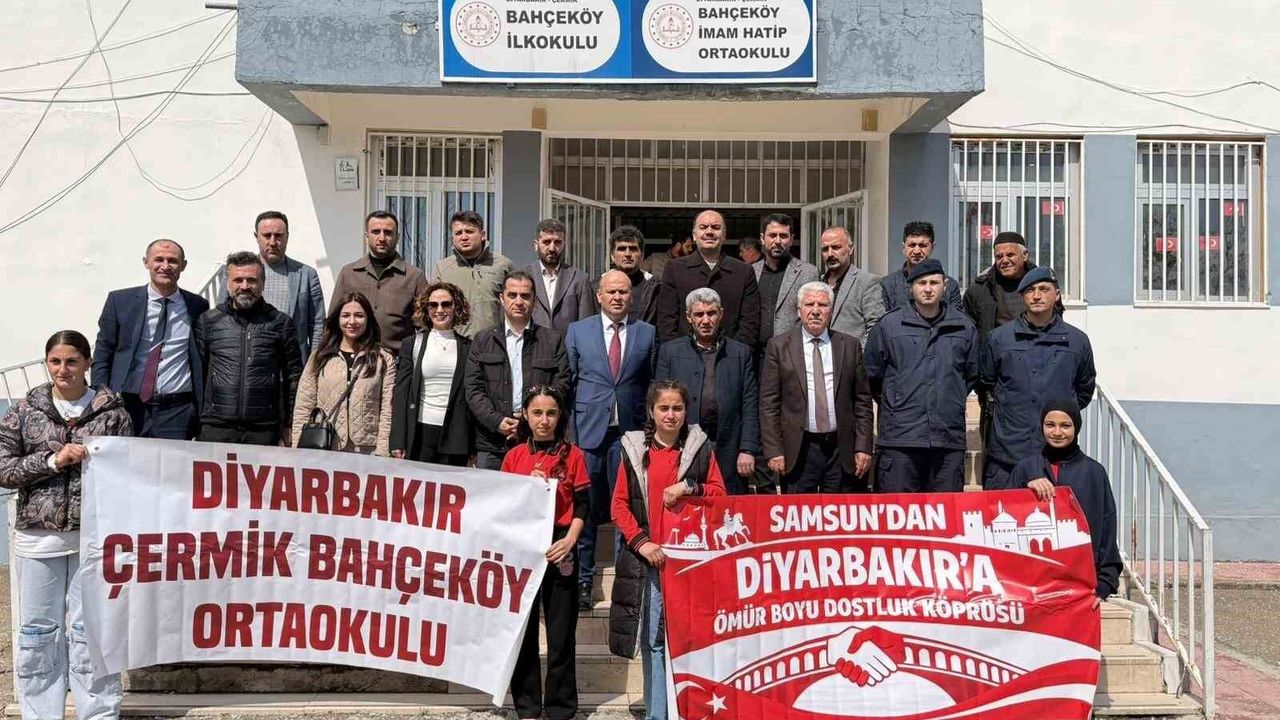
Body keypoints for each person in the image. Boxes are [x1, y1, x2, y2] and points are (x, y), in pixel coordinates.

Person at [0, 331, 132, 720]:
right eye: (55, 361)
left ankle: (99, 712)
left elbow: (130, 473)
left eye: (72, 361)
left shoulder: (113, 413)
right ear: (47, 364)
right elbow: (4, 469)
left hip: (94, 539)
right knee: (39, 633)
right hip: (38, 540)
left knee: (91, 631)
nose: (63, 369)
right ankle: (41, 713)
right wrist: (52, 461)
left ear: (88, 363)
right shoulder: (24, 411)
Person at [609, 380, 726, 720]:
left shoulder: (700, 448)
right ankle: (657, 714)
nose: (670, 415)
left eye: (677, 408)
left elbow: (720, 494)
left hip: (689, 564)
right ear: (651, 411)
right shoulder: (634, 451)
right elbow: (619, 505)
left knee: (689, 641)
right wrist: (642, 542)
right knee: (654, 642)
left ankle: (687, 710)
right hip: (651, 562)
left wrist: (689, 486)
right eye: (664, 408)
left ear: (686, 411)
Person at [566, 269, 657, 611]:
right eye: (611, 292)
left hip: (630, 434)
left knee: (626, 507)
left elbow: (652, 383)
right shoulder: (578, 331)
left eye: (623, 292)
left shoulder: (646, 332)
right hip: (588, 433)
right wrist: (571, 434)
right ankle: (584, 580)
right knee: (586, 508)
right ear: (599, 296)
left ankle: (624, 581)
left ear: (631, 296)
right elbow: (570, 382)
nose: (617, 297)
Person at [501, 385, 590, 720]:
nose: (544, 420)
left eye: (551, 413)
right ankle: (527, 707)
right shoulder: (514, 457)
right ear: (525, 415)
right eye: (537, 413)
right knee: (523, 632)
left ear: (560, 415)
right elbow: (502, 506)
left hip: (560, 545)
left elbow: (584, 505)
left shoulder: (574, 455)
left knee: (561, 633)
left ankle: (560, 708)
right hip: (523, 546)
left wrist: (570, 541)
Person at [864, 259, 980, 493]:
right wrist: (897, 402)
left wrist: (948, 399)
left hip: (947, 440)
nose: (928, 289)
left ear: (944, 286)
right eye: (921, 283)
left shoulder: (964, 327)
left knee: (945, 513)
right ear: (911, 288)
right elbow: (872, 375)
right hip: (900, 440)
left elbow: (971, 375)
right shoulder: (889, 326)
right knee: (899, 511)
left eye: (934, 283)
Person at [991, 399, 1122, 599]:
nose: (1057, 432)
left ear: (1076, 427)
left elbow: (1107, 527)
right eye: (1050, 425)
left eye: (1065, 425)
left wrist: (1104, 584)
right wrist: (1025, 490)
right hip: (1031, 585)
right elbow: (1003, 514)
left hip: (1080, 585)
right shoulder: (1026, 468)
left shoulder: (1093, 472)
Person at [980, 267, 1096, 488]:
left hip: (1055, 457)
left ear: (1057, 295)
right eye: (1029, 290)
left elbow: (1084, 389)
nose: (1036, 295)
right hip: (1008, 455)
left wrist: (1057, 418)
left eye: (1044, 289)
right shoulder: (999, 339)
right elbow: (986, 381)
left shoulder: (1077, 341)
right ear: (1022, 296)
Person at [761, 282, 874, 493]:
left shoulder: (849, 346)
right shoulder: (779, 346)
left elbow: (862, 402)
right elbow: (769, 404)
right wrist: (774, 449)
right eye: (809, 304)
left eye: (822, 305)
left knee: (839, 512)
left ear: (831, 309)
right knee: (800, 512)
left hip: (841, 449)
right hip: (799, 449)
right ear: (799, 310)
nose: (815, 311)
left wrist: (863, 446)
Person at [92, 238, 208, 439]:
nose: (165, 266)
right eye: (159, 259)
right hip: (128, 406)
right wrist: (100, 395)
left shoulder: (197, 306)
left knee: (173, 460)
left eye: (172, 261)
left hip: (177, 411)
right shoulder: (120, 302)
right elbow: (103, 353)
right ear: (146, 262)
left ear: (183, 266)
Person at [654, 288, 760, 494]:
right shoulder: (670, 352)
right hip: (683, 446)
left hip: (730, 448)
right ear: (689, 317)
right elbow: (659, 402)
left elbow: (749, 404)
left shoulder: (740, 353)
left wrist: (747, 448)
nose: (705, 320)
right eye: (699, 314)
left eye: (711, 313)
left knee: (729, 505)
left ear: (721, 314)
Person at [465, 270, 570, 471]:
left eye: (525, 296)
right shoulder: (482, 340)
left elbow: (561, 385)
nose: (519, 301)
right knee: (491, 492)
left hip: (537, 441)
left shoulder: (552, 341)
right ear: (502, 299)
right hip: (492, 441)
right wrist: (497, 421)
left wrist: (530, 418)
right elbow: (473, 389)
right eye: (512, 295)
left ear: (534, 301)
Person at [196, 251, 304, 446]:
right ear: (228, 284)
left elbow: (294, 377)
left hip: (263, 429)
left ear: (263, 283)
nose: (244, 286)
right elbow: (198, 375)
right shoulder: (208, 321)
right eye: (238, 280)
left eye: (251, 280)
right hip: (216, 427)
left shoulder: (280, 323)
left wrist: (290, 423)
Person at [290, 292, 395, 455]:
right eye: (346, 315)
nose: (352, 321)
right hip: (326, 446)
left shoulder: (383, 359)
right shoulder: (320, 356)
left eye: (359, 315)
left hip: (367, 450)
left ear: (368, 319)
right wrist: (298, 448)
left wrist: (382, 452)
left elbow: (388, 410)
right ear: (337, 319)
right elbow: (304, 405)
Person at [219, 210, 325, 359]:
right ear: (257, 237)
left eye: (278, 236)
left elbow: (317, 324)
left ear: (287, 237)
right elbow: (222, 317)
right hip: (248, 360)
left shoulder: (306, 275)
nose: (273, 242)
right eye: (267, 236)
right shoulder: (236, 274)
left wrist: (314, 362)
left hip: (291, 360)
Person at [390, 282, 474, 466]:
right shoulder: (412, 344)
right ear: (426, 309)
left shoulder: (469, 347)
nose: (439, 310)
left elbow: (472, 396)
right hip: (420, 432)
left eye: (446, 304)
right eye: (433, 305)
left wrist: (472, 445)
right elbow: (401, 393)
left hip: (455, 435)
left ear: (456, 307)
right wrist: (398, 439)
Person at [656, 210, 761, 348]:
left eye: (716, 227)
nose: (709, 232)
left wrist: (735, 354)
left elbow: (750, 322)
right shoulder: (675, 268)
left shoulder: (743, 271)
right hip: (683, 355)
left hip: (731, 355)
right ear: (694, 235)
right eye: (703, 227)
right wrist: (677, 354)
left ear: (724, 235)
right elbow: (666, 320)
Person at [330, 210, 429, 354]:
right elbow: (333, 320)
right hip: (354, 357)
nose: (382, 238)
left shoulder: (414, 276)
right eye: (376, 232)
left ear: (397, 237)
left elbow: (425, 326)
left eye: (388, 233)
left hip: (397, 359)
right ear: (366, 236)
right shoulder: (349, 273)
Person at [435, 209, 515, 337]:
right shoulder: (443, 268)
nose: (464, 237)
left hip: (494, 342)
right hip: (455, 343)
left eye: (469, 231)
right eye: (458, 233)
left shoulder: (503, 265)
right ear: (452, 239)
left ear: (482, 235)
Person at [752, 213, 820, 341]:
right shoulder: (751, 272)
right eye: (772, 235)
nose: (778, 241)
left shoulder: (808, 273)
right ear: (762, 238)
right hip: (755, 350)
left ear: (791, 239)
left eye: (783, 236)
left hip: (792, 348)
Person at [962, 230, 1037, 342]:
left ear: (1025, 255)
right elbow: (968, 332)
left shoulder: (1043, 285)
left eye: (1010, 255)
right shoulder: (979, 289)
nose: (1004, 260)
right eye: (999, 256)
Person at [528, 218, 597, 332]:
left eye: (557, 242)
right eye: (546, 242)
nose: (552, 248)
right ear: (536, 245)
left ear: (564, 244)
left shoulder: (579, 279)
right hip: (532, 342)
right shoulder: (524, 277)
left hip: (567, 343)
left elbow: (587, 325)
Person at [820, 226, 885, 346]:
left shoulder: (867, 282)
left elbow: (876, 327)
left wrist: (859, 355)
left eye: (836, 247)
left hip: (853, 355)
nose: (830, 254)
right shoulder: (818, 283)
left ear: (850, 249)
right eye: (825, 249)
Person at [880, 221, 962, 314]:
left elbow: (958, 319)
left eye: (922, 245)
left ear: (932, 247)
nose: (916, 251)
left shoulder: (950, 286)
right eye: (912, 245)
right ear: (904, 247)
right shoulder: (887, 285)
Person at [609, 225, 659, 324]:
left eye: (633, 249)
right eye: (622, 249)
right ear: (612, 256)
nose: (627, 254)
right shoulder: (597, 286)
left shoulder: (656, 288)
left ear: (642, 255)